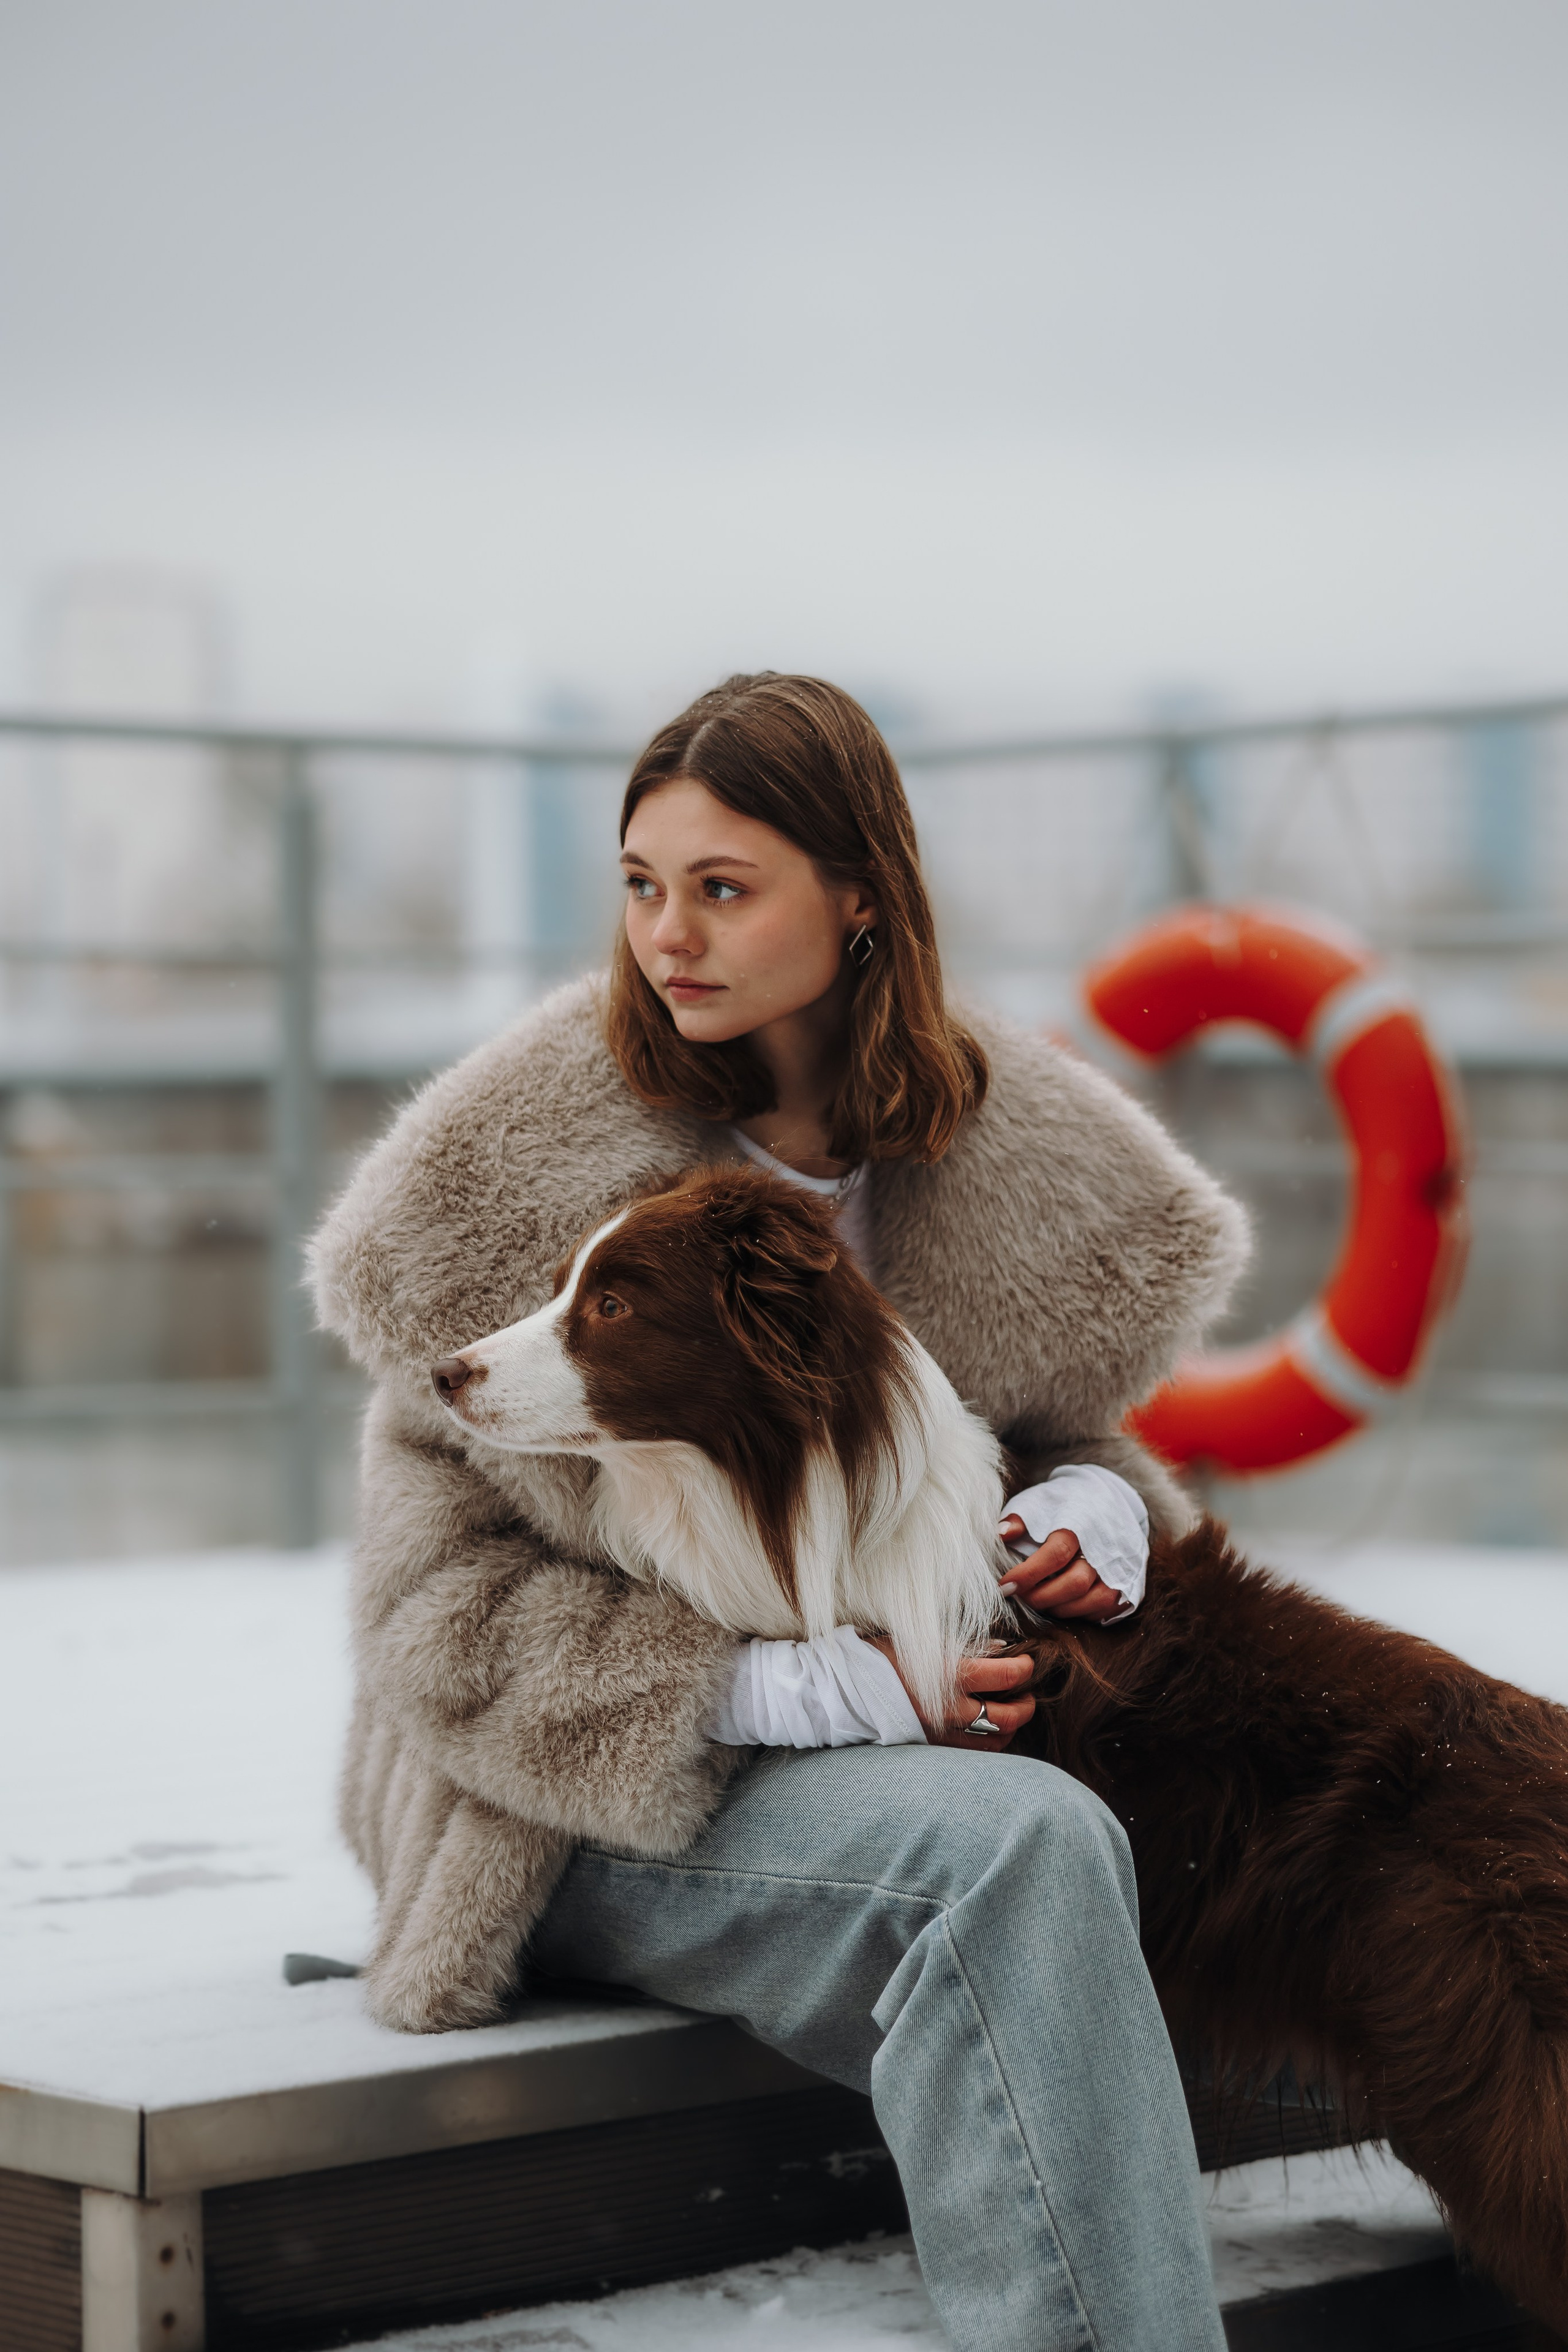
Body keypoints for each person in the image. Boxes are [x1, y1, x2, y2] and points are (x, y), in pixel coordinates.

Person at [312, 673, 1249, 2352]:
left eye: (722, 887)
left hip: (927, 1750)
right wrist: (800, 1690)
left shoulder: (986, 1167)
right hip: (564, 1803)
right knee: (1018, 1858)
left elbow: (1058, 1449)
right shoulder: (501, 1190)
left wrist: (1103, 1516)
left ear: (859, 895)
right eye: (641, 883)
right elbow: (425, 1633)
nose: (669, 935)